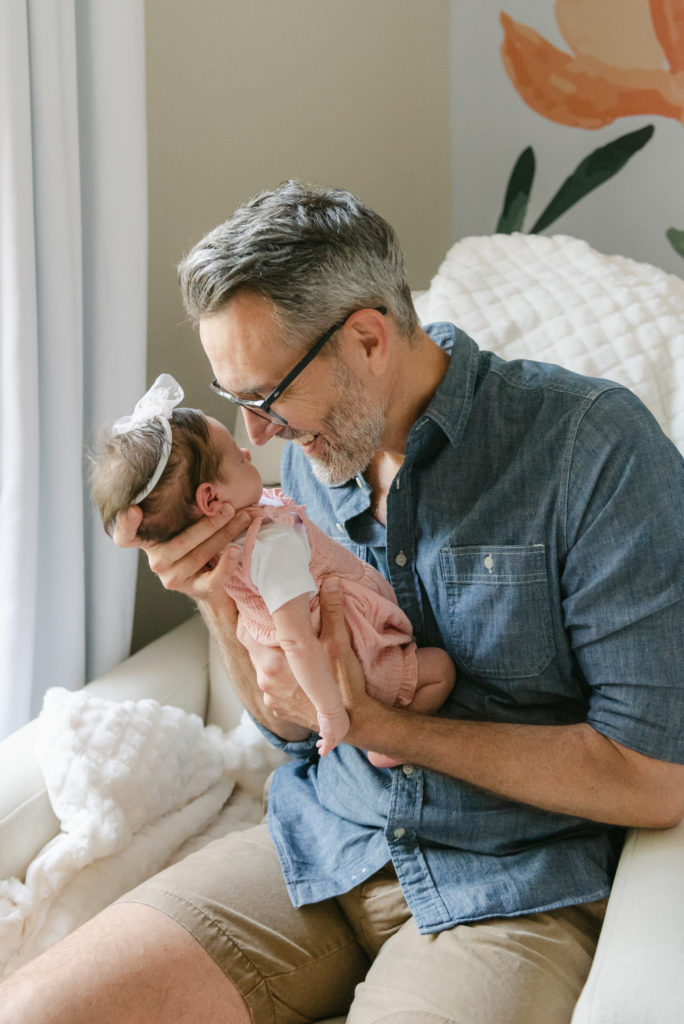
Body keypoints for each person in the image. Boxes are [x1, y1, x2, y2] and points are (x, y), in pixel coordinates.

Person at [2, 180, 683, 1024]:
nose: (254, 434)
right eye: (237, 403)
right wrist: (218, 596)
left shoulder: (593, 452)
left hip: (510, 883)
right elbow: (286, 727)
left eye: (267, 398)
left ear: (367, 339)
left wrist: (388, 728)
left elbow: (656, 777)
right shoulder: (310, 459)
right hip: (325, 843)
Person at [89, 376, 455, 761]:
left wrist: (131, 535)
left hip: (305, 656)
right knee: (439, 669)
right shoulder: (272, 543)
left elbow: (162, 518)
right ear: (211, 498)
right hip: (354, 660)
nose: (249, 451)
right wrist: (333, 714)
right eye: (235, 455)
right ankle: (385, 745)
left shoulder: (219, 546)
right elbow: (297, 641)